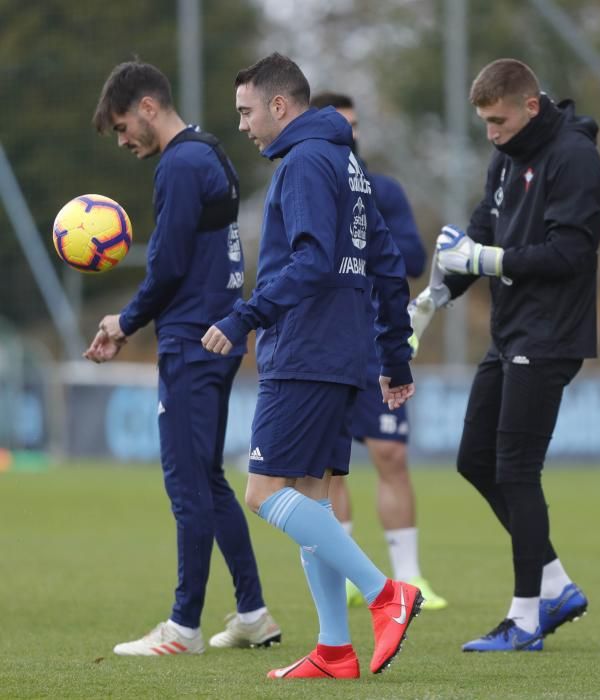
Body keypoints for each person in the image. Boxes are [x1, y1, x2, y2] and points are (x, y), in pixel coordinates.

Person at [202, 53, 423, 680]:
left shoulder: (302, 163)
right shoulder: (348, 164)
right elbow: (385, 262)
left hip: (304, 349)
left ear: (279, 105)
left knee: (263, 492)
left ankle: (387, 595)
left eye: (246, 110)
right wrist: (395, 354)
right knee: (311, 500)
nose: (242, 124)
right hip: (343, 353)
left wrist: (246, 316)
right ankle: (333, 650)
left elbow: (311, 262)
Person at [410, 58, 600, 652]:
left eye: (498, 121)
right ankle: (556, 584)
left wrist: (485, 260)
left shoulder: (576, 159)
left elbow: (570, 254)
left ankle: (526, 620)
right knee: (475, 459)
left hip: (550, 335)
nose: (491, 133)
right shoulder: (506, 154)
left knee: (517, 470)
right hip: (511, 332)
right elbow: (478, 237)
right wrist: (427, 302)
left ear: (529, 105)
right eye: (484, 124)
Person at [84, 60, 280, 656]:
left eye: (123, 127)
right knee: (208, 479)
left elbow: (167, 265)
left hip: (192, 340)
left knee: (186, 482)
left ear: (148, 107)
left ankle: (183, 627)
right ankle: (252, 614)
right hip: (213, 334)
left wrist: (124, 322)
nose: (123, 142)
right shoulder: (209, 151)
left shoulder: (180, 163)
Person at [309, 92, 447, 611]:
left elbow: (410, 258)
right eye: (341, 125)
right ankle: (346, 571)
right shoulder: (308, 184)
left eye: (356, 125)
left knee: (390, 454)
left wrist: (361, 233)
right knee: (329, 465)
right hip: (324, 345)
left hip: (373, 345)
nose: (351, 134)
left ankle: (410, 578)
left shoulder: (381, 190)